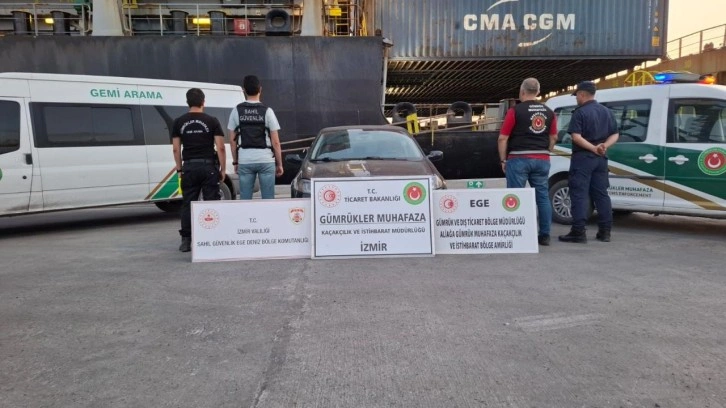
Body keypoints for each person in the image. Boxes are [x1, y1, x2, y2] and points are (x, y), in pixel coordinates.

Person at [497, 78, 558, 246]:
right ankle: (544, 235)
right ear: (537, 92)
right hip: (542, 159)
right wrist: (546, 151)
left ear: (522, 91)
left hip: (518, 159)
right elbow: (554, 137)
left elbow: (503, 138)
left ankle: (517, 234)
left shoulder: (515, 111)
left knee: (515, 197)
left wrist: (503, 160)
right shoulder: (549, 112)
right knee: (542, 198)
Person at [558, 81, 619, 244]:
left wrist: (593, 148)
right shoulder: (607, 111)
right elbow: (615, 134)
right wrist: (604, 146)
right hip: (601, 160)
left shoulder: (580, 113)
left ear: (582, 94)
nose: (576, 98)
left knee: (579, 194)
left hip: (583, 159)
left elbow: (576, 137)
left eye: (577, 95)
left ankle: (578, 232)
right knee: (601, 194)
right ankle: (605, 232)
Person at [172, 88, 226, 252]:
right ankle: (212, 238)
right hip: (208, 167)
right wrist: (223, 169)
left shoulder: (178, 122)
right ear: (203, 101)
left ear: (187, 102)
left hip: (189, 167)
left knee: (188, 203)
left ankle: (186, 241)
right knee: (211, 202)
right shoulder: (212, 121)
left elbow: (176, 149)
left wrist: (180, 170)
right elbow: (221, 147)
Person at [228, 75, 283, 199]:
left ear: (244, 90)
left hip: (245, 160)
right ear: (260, 89)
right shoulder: (268, 111)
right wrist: (279, 164)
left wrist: (236, 162)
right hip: (266, 160)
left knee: (245, 199)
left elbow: (232, 141)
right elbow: (276, 142)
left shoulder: (236, 110)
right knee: (268, 199)